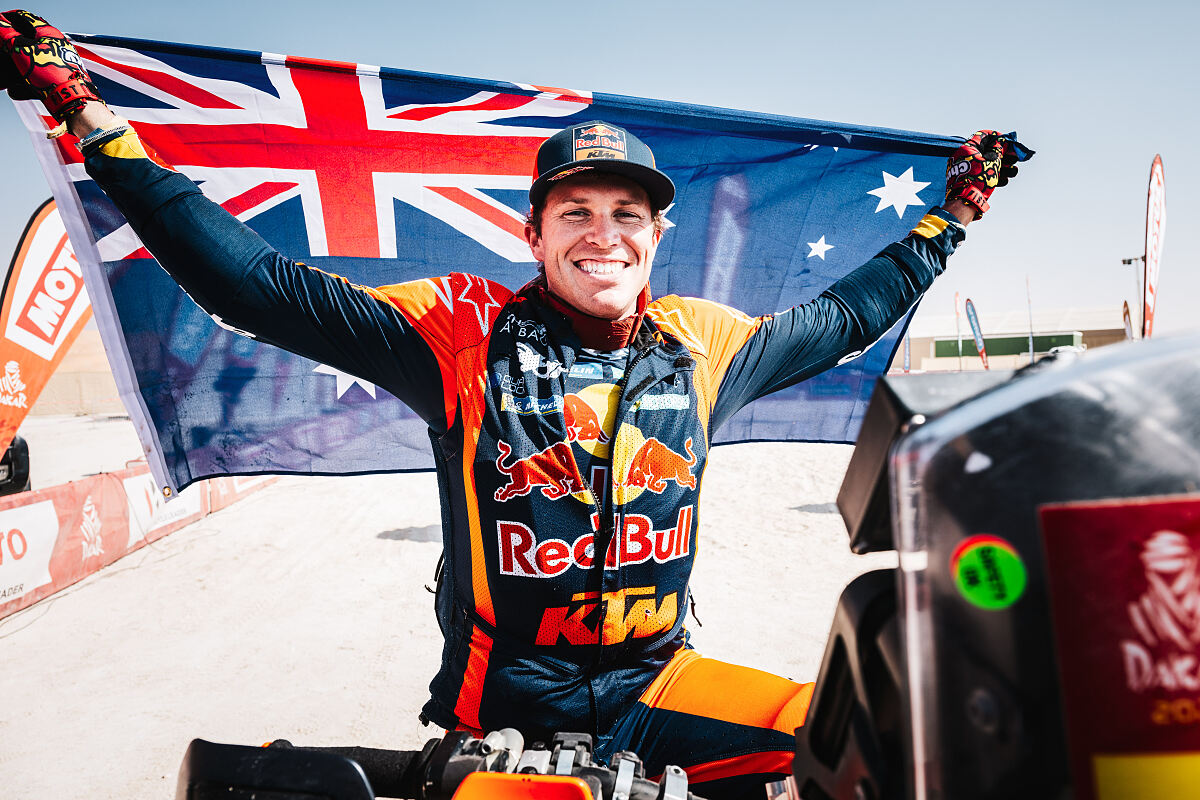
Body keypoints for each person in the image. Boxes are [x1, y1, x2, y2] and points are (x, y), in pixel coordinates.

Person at [0, 11, 1025, 798]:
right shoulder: (459, 330)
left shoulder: (706, 343)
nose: (603, 234)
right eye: (575, 212)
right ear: (534, 234)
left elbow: (846, 314)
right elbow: (255, 286)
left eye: (627, 214)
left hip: (658, 682)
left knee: (863, 740)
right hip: (507, 712)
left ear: (655, 238)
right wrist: (96, 124)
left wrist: (953, 217)